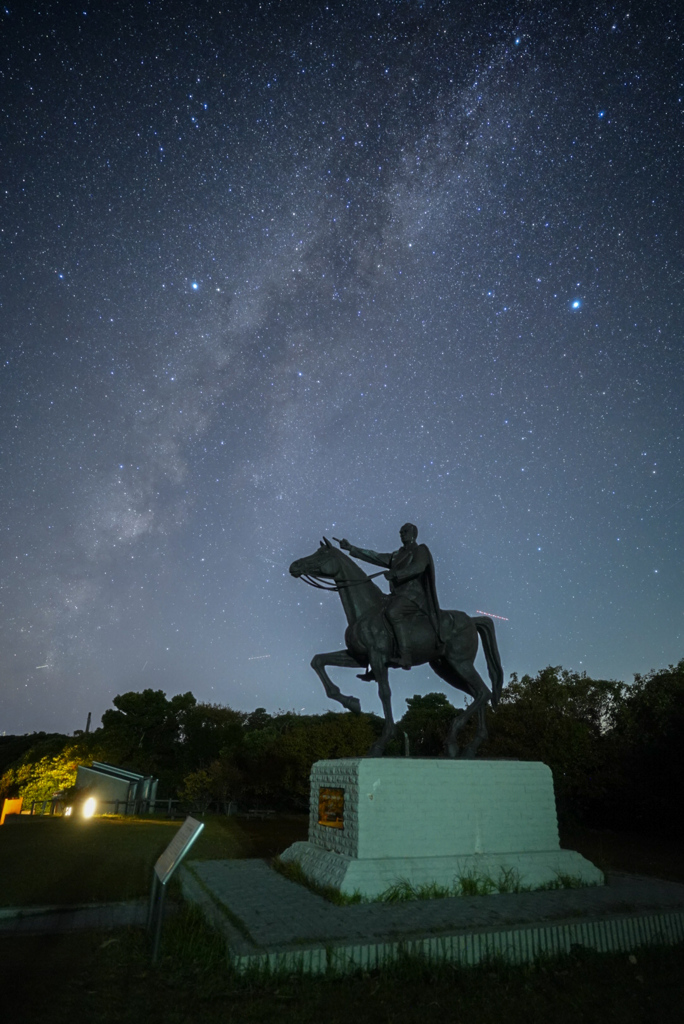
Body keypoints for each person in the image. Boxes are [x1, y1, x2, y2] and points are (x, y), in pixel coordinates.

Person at [338, 524, 442, 669]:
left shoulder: (420, 550)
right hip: (397, 596)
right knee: (376, 615)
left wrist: (396, 574)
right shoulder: (396, 555)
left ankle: (405, 656)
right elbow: (374, 556)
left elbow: (418, 567)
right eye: (400, 532)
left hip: (413, 596)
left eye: (405, 531)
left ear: (413, 534)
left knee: (393, 612)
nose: (402, 534)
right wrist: (351, 548)